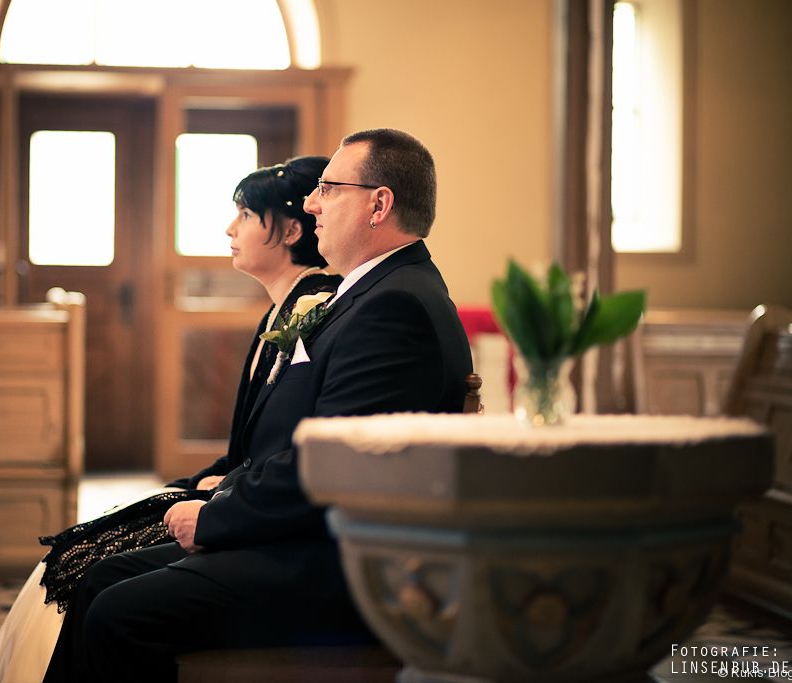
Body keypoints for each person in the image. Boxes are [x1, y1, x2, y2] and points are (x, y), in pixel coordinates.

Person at [43, 128, 474, 683]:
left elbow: (333, 465)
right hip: (313, 539)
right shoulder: (378, 291)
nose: (312, 203)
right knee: (101, 578)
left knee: (119, 612)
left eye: (328, 188)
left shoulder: (395, 307)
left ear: (379, 204)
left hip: (342, 565)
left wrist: (215, 516)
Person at [0, 155, 340, 683]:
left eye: (245, 214)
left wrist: (220, 492)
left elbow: (290, 444)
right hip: (243, 496)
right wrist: (208, 480)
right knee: (80, 549)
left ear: (289, 231)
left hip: (274, 535)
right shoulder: (282, 309)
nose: (230, 228)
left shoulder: (317, 307)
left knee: (92, 568)